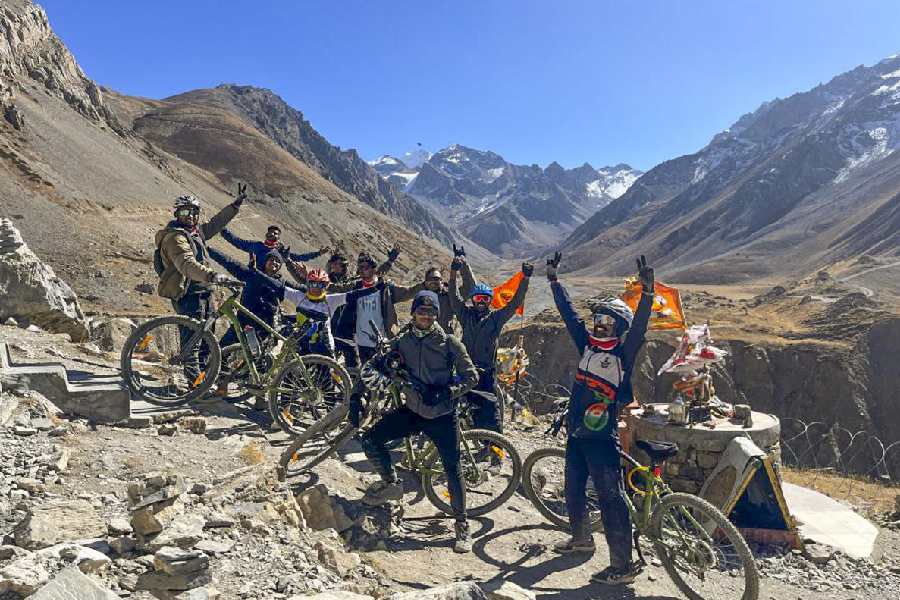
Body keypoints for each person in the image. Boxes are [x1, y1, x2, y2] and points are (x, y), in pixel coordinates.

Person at [547, 252, 653, 586]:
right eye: (598, 320)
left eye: (607, 321)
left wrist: (648, 294)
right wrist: (554, 281)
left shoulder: (623, 354)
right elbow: (569, 316)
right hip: (577, 433)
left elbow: (640, 326)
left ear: (619, 327)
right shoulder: (587, 346)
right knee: (573, 489)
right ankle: (581, 539)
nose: (600, 325)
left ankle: (622, 566)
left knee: (611, 499)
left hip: (603, 437)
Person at [356, 290, 479, 553]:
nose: (426, 316)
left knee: (452, 468)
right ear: (413, 313)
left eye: (431, 312)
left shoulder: (449, 343)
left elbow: (472, 377)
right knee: (370, 439)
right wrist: (358, 395)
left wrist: (447, 392)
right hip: (413, 410)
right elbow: (376, 364)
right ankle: (391, 485)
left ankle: (462, 525)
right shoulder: (403, 341)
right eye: (421, 311)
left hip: (442, 415)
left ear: (437, 314)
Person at [154, 186, 247, 382]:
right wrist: (212, 276)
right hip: (189, 294)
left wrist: (234, 206)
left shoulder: (195, 233)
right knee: (193, 341)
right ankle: (194, 386)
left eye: (194, 212)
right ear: (177, 214)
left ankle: (203, 381)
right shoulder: (175, 237)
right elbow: (186, 264)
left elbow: (215, 224)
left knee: (207, 340)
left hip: (204, 292)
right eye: (185, 212)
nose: (190, 216)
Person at [448, 257, 531, 433]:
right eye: (478, 298)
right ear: (472, 299)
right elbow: (453, 298)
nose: (481, 302)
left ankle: (494, 446)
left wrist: (525, 279)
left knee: (491, 411)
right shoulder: (465, 315)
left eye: (485, 299)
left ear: (489, 301)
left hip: (486, 372)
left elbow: (515, 303)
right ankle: (466, 436)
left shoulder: (496, 319)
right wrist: (453, 273)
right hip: (465, 370)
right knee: (458, 406)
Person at [330, 251, 422, 369]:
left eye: (365, 267)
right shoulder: (355, 286)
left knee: (383, 373)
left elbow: (408, 292)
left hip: (381, 341)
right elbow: (337, 289)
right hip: (361, 342)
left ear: (373, 269)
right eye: (360, 267)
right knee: (364, 373)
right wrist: (315, 282)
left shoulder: (385, 288)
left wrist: (425, 285)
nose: (362, 270)